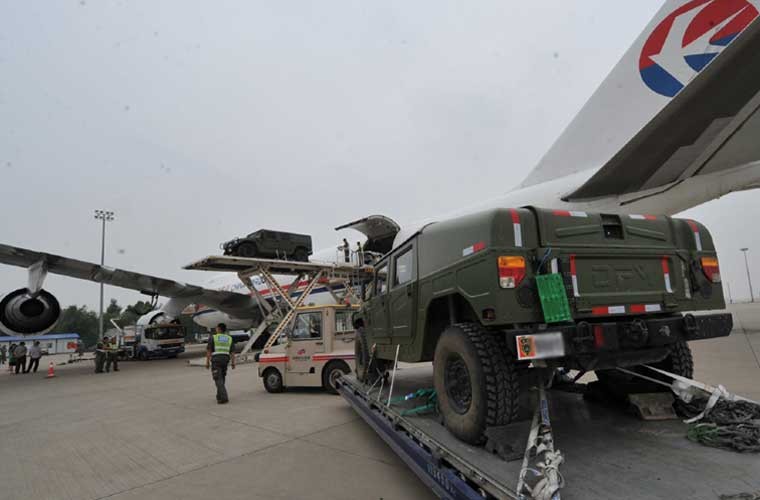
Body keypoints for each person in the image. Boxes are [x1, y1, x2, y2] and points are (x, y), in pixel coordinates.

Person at [206, 323, 235, 404]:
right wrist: (233, 363)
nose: (215, 329)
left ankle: (223, 397)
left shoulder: (213, 337)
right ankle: (219, 396)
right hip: (225, 360)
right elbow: (232, 352)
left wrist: (207, 362)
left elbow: (209, 350)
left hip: (216, 360)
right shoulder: (229, 338)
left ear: (219, 329)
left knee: (218, 379)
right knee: (222, 377)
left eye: (216, 328)